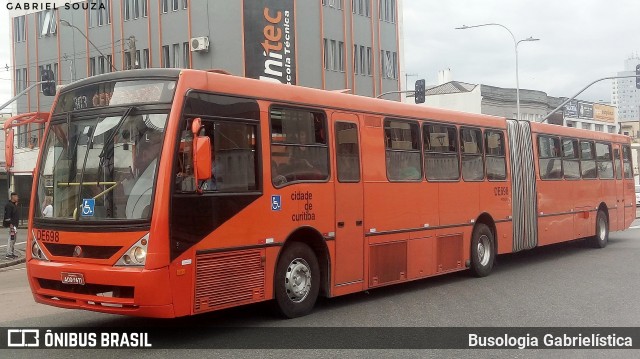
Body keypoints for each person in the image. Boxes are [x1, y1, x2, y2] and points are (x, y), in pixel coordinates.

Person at [3, 192, 19, 259]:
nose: (18, 198)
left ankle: (11, 253)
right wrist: (11, 225)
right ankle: (8, 254)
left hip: (14, 226)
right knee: (11, 239)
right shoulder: (9, 205)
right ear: (13, 197)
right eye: (16, 197)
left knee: (13, 240)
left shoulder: (13, 205)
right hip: (11, 226)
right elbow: (7, 216)